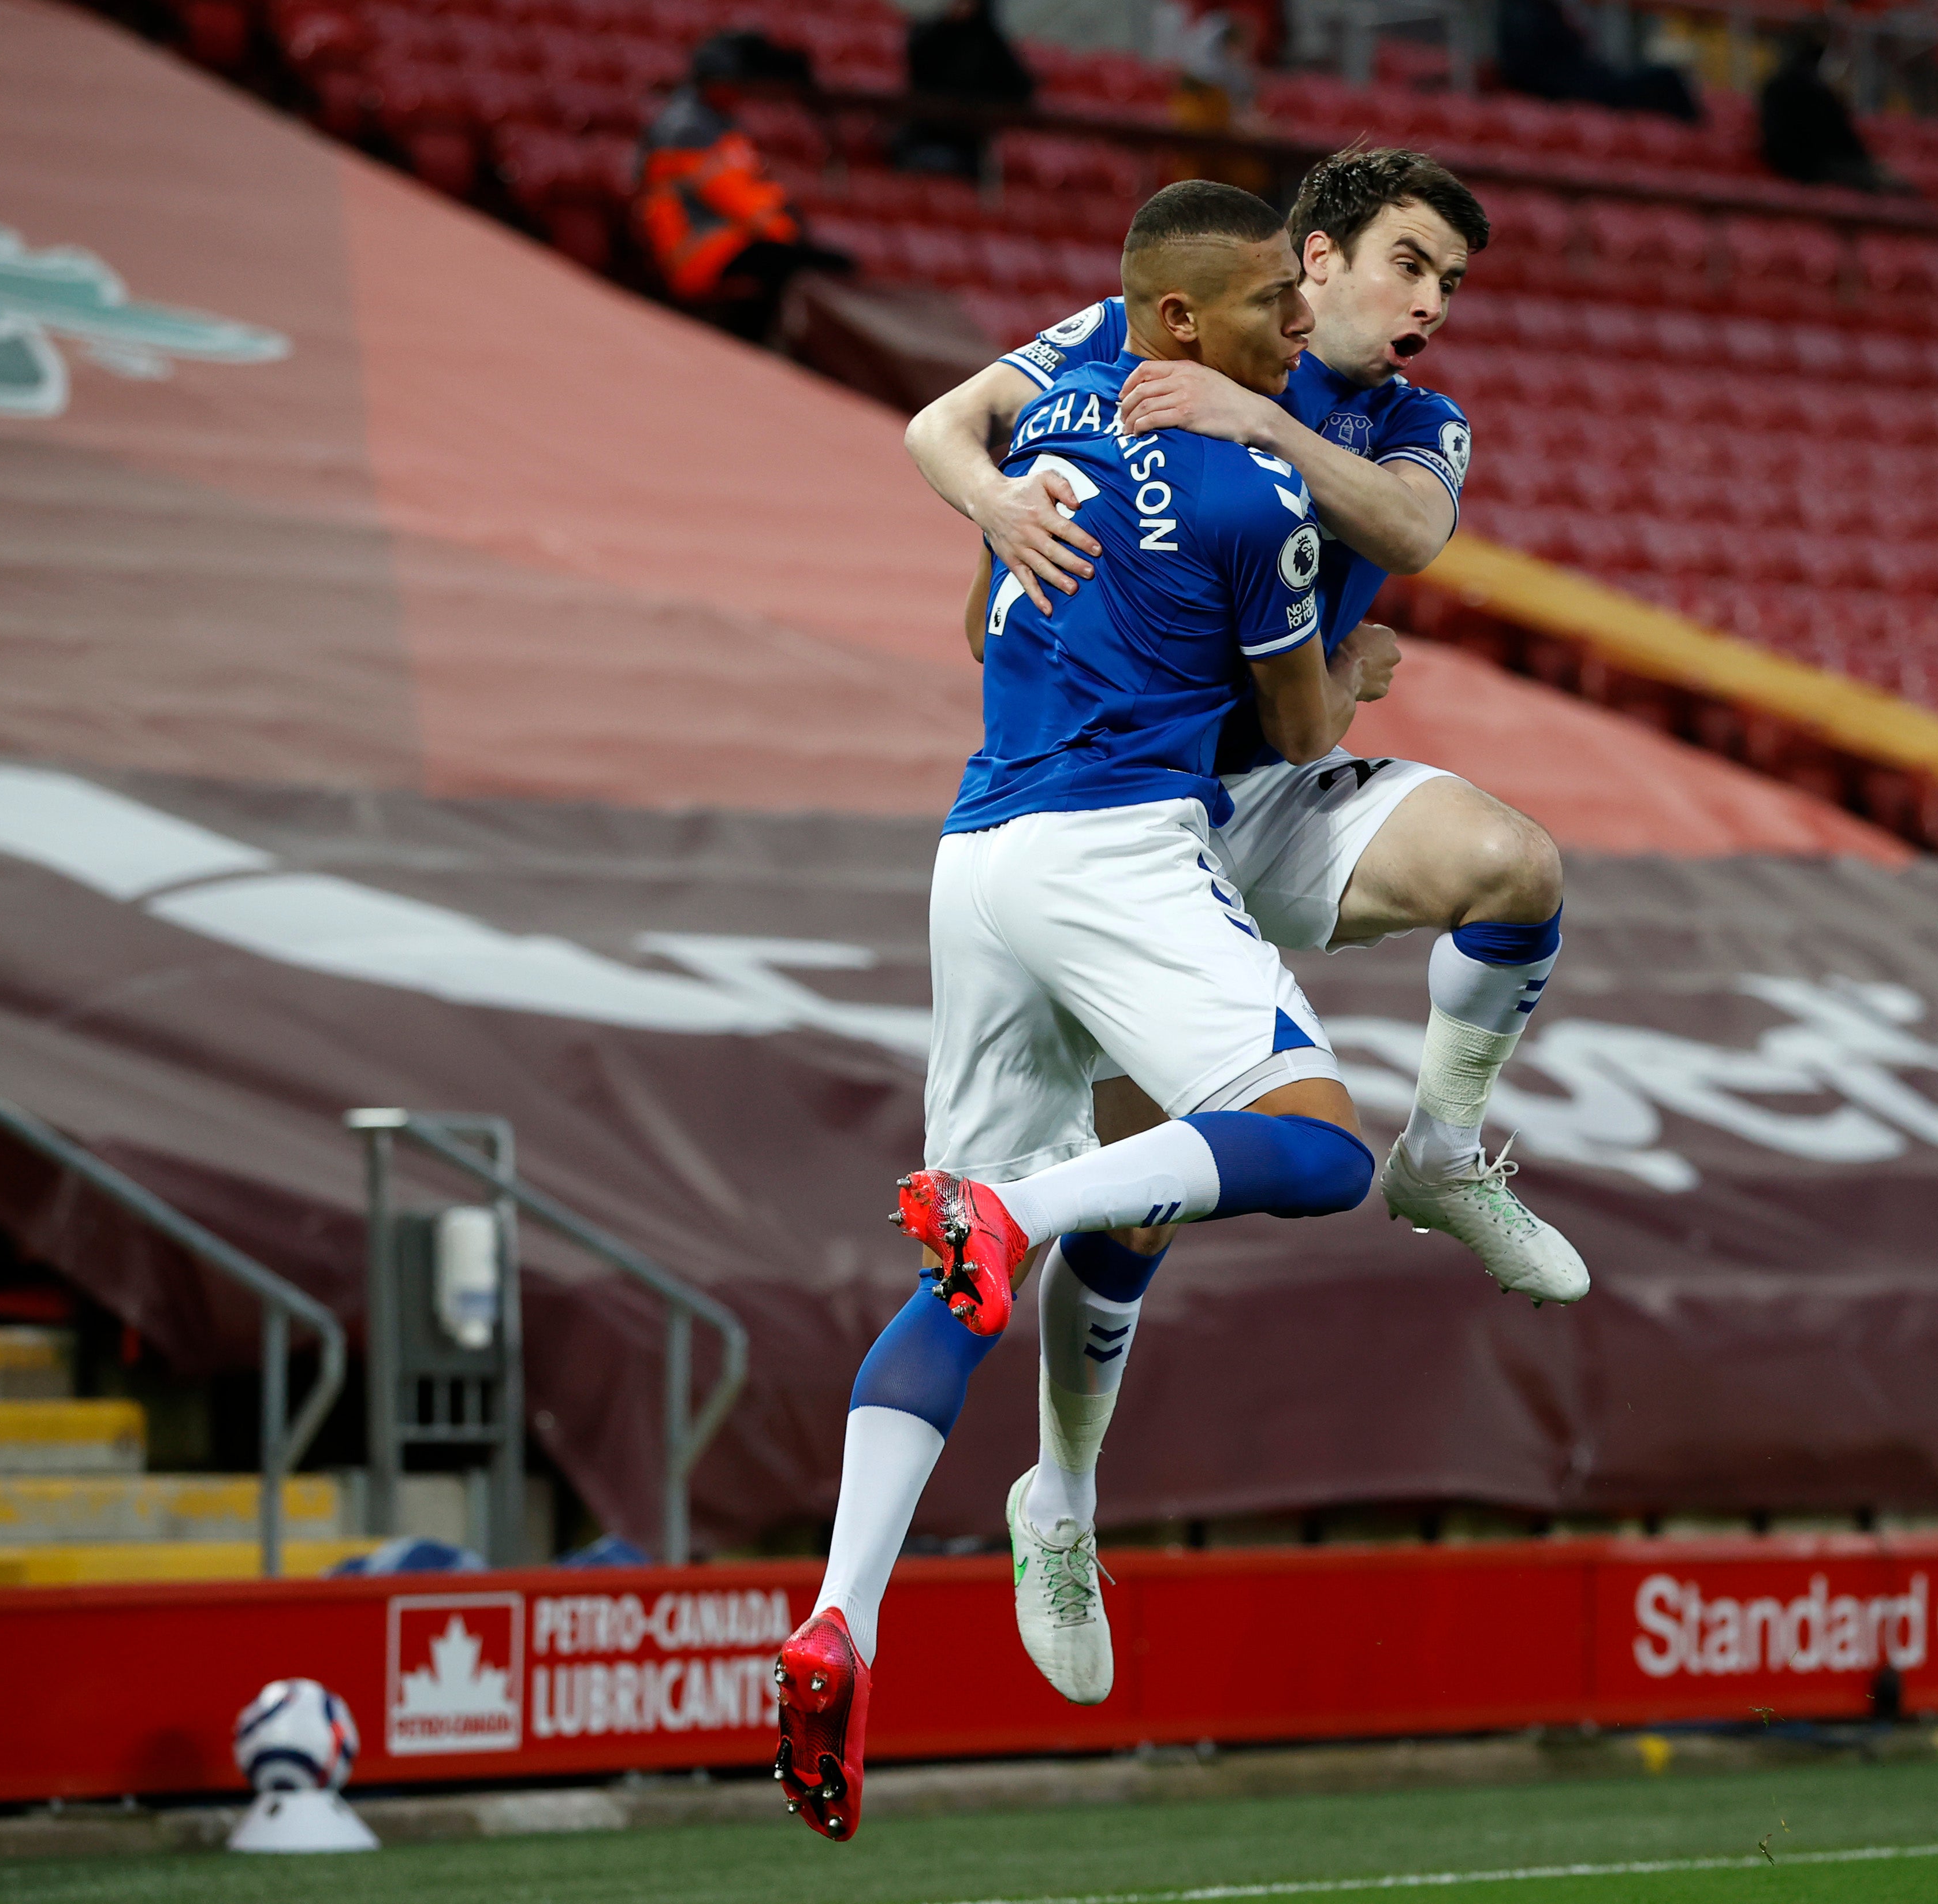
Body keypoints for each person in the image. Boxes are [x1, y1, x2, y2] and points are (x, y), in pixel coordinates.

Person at [774, 181, 1390, 1843]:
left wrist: (983, 507)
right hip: (1119, 853)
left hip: (972, 864)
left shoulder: (1044, 393)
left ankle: (843, 1617)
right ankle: (1022, 1209)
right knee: (1324, 1153)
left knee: (969, 1291)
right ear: (1178, 324)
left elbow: (939, 441)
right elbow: (1286, 735)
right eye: (1268, 301)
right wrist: (1354, 673)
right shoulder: (1253, 488)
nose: (1291, 324)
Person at [906, 147, 1587, 1307]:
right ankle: (1065, 1485)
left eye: (1452, 283)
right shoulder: (1131, 333)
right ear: (1318, 259)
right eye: (1409, 263)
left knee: (1516, 867)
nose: (1429, 302)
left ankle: (1442, 1158)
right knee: (1132, 1209)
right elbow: (943, 424)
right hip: (1118, 809)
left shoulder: (1414, 418)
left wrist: (1256, 422)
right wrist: (995, 502)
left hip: (1270, 784)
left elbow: (1415, 532)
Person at [634, 33, 837, 339]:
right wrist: (786, 230)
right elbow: (733, 195)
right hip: (699, 252)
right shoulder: (684, 127)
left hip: (728, 242)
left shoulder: (722, 123)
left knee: (819, 261)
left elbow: (754, 186)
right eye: (731, 84)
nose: (737, 93)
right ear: (712, 83)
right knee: (797, 264)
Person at [1760, 23, 1911, 194]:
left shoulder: (1786, 86)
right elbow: (1839, 137)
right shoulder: (1812, 89)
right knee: (1892, 189)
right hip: (1814, 168)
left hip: (1814, 164)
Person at [891, 0, 1034, 177]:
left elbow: (1022, 88)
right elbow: (917, 60)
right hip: (923, 137)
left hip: (966, 148)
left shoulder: (989, 44)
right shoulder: (932, 34)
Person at [1493, 0, 1699, 122]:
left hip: (1587, 81)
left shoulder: (1546, 8)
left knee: (1666, 80)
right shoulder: (1525, 10)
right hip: (1575, 87)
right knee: (1666, 79)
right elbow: (1524, 69)